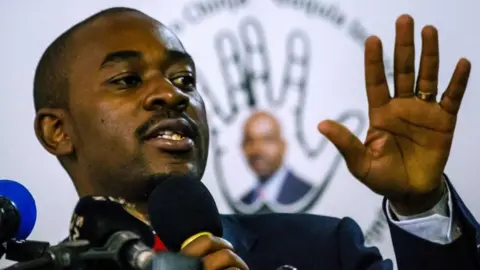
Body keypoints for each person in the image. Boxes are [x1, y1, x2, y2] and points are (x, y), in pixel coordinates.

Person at [31, 7, 480, 270]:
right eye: (127, 80)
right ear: (58, 131)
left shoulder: (324, 251)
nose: (171, 94)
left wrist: (421, 208)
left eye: (185, 78)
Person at [240, 111, 312, 205]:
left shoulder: (307, 195)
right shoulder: (243, 204)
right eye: (249, 141)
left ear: (283, 145)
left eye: (267, 139)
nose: (257, 149)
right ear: (242, 147)